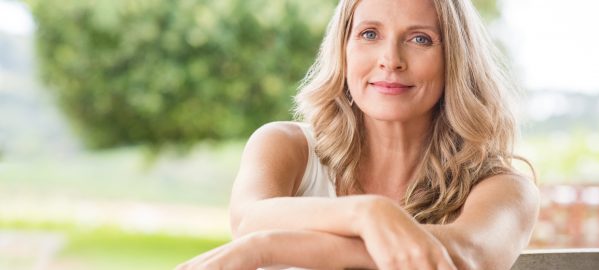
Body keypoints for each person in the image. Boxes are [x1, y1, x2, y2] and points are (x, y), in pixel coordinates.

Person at [177, 0, 540, 269]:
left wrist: (265, 249)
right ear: (344, 50)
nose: (390, 59)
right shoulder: (286, 146)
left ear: (456, 61)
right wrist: (366, 214)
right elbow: (248, 219)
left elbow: (465, 254)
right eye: (369, 34)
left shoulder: (506, 189)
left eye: (420, 39)